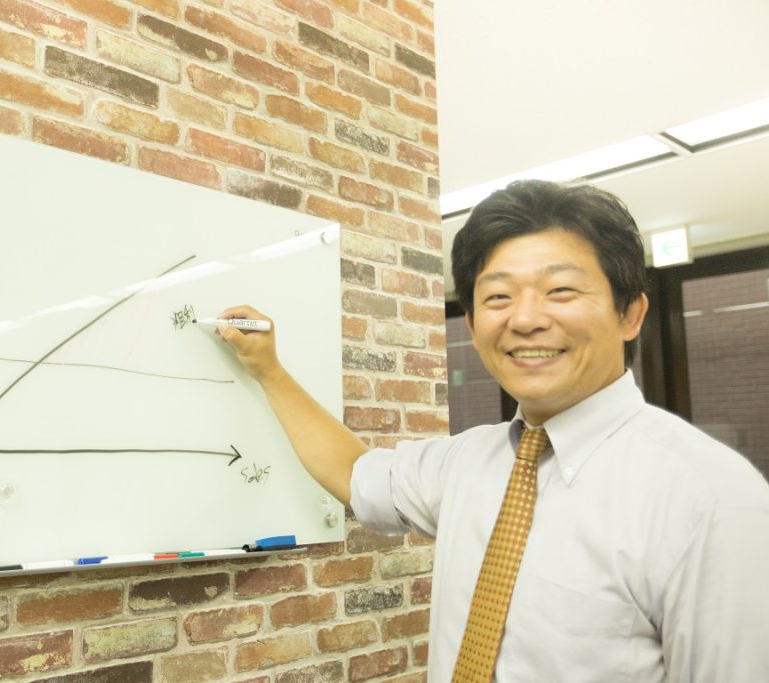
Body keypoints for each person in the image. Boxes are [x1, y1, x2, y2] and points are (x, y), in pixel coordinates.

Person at [216, 180, 769, 682]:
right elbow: (354, 473)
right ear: (473, 323)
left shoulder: (712, 499)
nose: (524, 319)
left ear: (630, 314)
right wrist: (269, 370)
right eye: (498, 297)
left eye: (561, 291)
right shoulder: (465, 464)